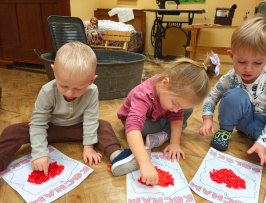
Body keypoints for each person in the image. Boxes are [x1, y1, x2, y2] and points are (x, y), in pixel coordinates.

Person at [0, 41, 135, 177]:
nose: (69, 93)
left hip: (77, 129)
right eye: (63, 86)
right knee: (12, 131)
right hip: (50, 129)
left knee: (103, 125)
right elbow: (38, 123)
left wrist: (88, 148)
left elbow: (90, 119)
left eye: (78, 88)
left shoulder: (92, 91)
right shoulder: (47, 91)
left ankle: (116, 157)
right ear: (54, 72)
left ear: (91, 81)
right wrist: (39, 153)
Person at [199, 15, 266, 169]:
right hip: (245, 119)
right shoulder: (231, 76)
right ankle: (226, 130)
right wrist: (207, 118)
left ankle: (257, 136)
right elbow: (213, 95)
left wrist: (264, 142)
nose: (248, 69)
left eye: (258, 63)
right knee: (234, 96)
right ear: (231, 55)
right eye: (241, 61)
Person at [117, 54, 219, 185]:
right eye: (175, 103)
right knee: (143, 129)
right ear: (165, 83)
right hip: (137, 121)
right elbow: (133, 127)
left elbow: (177, 115)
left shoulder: (171, 95)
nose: (177, 109)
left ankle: (165, 134)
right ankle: (165, 132)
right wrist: (145, 163)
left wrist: (175, 143)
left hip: (159, 116)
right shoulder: (142, 95)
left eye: (179, 106)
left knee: (186, 111)